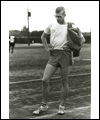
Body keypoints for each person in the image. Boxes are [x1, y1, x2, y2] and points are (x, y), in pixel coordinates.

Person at [33, 6, 85, 115]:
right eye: (56, 16)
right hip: (53, 55)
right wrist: (47, 48)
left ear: (64, 15)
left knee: (64, 81)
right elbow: (43, 37)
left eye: (60, 16)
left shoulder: (71, 26)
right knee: (44, 80)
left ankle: (62, 106)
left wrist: (71, 48)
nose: (57, 18)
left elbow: (82, 40)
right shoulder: (51, 26)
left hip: (65, 55)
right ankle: (44, 106)